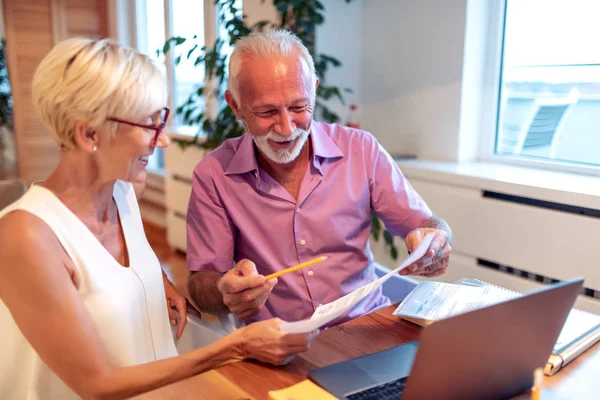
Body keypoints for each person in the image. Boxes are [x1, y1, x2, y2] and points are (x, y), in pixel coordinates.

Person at [0, 38, 318, 400]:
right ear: (89, 134)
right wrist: (237, 345)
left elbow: (110, 273)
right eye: (150, 124)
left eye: (162, 119)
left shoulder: (124, 194)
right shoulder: (23, 236)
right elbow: (96, 384)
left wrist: (154, 283)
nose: (163, 140)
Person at [186, 30, 453, 325]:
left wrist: (435, 242)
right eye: (267, 111)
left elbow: (428, 225)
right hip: (279, 343)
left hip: (366, 327)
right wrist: (224, 291)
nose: (287, 128)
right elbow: (201, 285)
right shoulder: (214, 175)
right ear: (235, 105)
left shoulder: (360, 150)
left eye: (299, 106)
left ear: (314, 89)